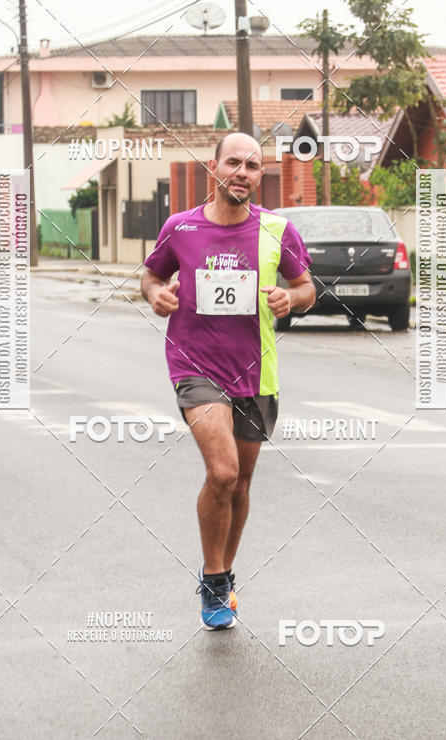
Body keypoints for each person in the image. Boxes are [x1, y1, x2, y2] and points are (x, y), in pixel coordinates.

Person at [141, 133, 315, 630]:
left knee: (240, 484)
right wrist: (156, 294)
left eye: (253, 165)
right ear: (213, 167)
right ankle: (214, 581)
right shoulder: (181, 227)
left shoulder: (278, 229)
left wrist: (290, 299)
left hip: (257, 371)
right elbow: (151, 276)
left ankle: (224, 574)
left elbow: (305, 287)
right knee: (222, 471)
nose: (243, 171)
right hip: (194, 366)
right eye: (234, 162)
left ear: (261, 176)